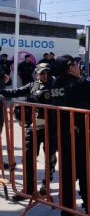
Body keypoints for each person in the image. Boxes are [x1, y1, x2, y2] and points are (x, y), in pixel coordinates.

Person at [51, 55, 90, 215]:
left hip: (63, 134)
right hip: (82, 136)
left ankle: (67, 210)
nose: (79, 66)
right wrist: (88, 78)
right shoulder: (79, 83)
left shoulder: (55, 84)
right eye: (76, 64)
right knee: (86, 172)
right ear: (70, 67)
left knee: (67, 174)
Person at [0, 63, 57, 201]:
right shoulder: (32, 85)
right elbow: (14, 92)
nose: (45, 75)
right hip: (33, 128)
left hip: (52, 128)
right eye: (42, 73)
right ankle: (28, 189)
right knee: (28, 158)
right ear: (36, 74)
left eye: (47, 73)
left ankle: (45, 188)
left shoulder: (56, 86)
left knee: (50, 159)